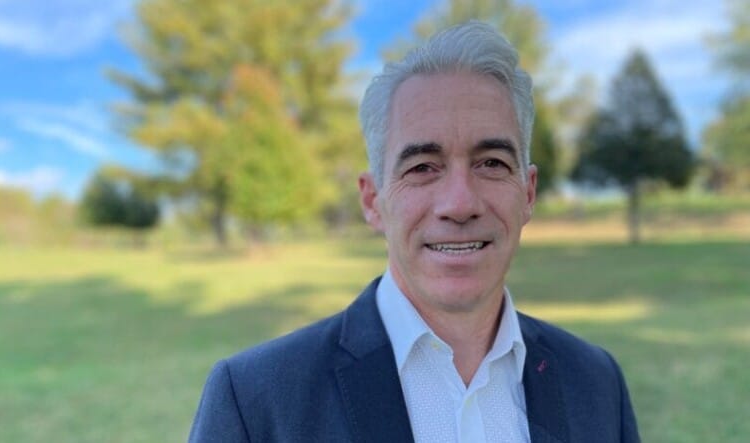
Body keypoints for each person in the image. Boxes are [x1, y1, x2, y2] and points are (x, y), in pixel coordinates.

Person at [188, 21, 640, 443]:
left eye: (492, 163)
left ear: (528, 192)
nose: (460, 204)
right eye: (422, 167)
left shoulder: (597, 383)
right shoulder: (255, 403)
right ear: (373, 200)